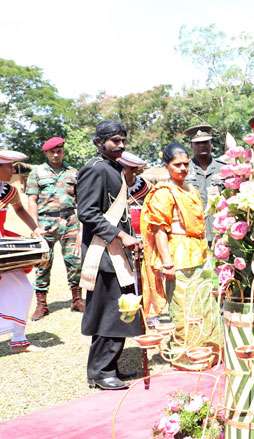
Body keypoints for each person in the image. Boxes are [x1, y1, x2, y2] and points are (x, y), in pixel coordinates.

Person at [140, 142, 223, 366]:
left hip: (198, 251)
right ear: (167, 166)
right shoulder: (163, 192)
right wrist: (166, 261)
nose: (183, 169)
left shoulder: (190, 189)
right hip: (177, 252)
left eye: (186, 164)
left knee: (204, 301)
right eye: (177, 165)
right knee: (183, 305)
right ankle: (185, 354)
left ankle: (207, 349)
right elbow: (158, 229)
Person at [77, 121, 143, 390]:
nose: (121, 145)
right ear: (99, 142)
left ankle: (105, 369)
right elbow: (88, 213)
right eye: (115, 140)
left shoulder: (114, 169)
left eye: (123, 140)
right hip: (103, 253)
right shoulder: (95, 170)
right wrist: (121, 235)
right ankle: (102, 372)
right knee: (110, 313)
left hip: (115, 252)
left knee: (115, 312)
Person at [26, 136, 83, 320]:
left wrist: (81, 226)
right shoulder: (37, 172)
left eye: (59, 151)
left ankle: (77, 300)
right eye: (52, 152)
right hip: (45, 224)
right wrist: (34, 227)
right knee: (43, 263)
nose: (56, 155)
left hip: (70, 221)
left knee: (75, 262)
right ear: (46, 153)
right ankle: (42, 305)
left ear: (63, 151)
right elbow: (32, 200)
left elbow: (80, 201)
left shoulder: (73, 172)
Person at [0, 149, 44, 353]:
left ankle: (19, 339)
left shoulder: (8, 190)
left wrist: (35, 229)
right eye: (8, 166)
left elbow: (18, 209)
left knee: (25, 288)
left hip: (4, 247)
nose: (12, 170)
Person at [183, 124, 225, 246]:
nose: (202, 146)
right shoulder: (183, 169)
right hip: (194, 234)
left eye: (205, 142)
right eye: (198, 143)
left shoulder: (223, 168)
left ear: (211, 144)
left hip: (220, 233)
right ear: (191, 145)